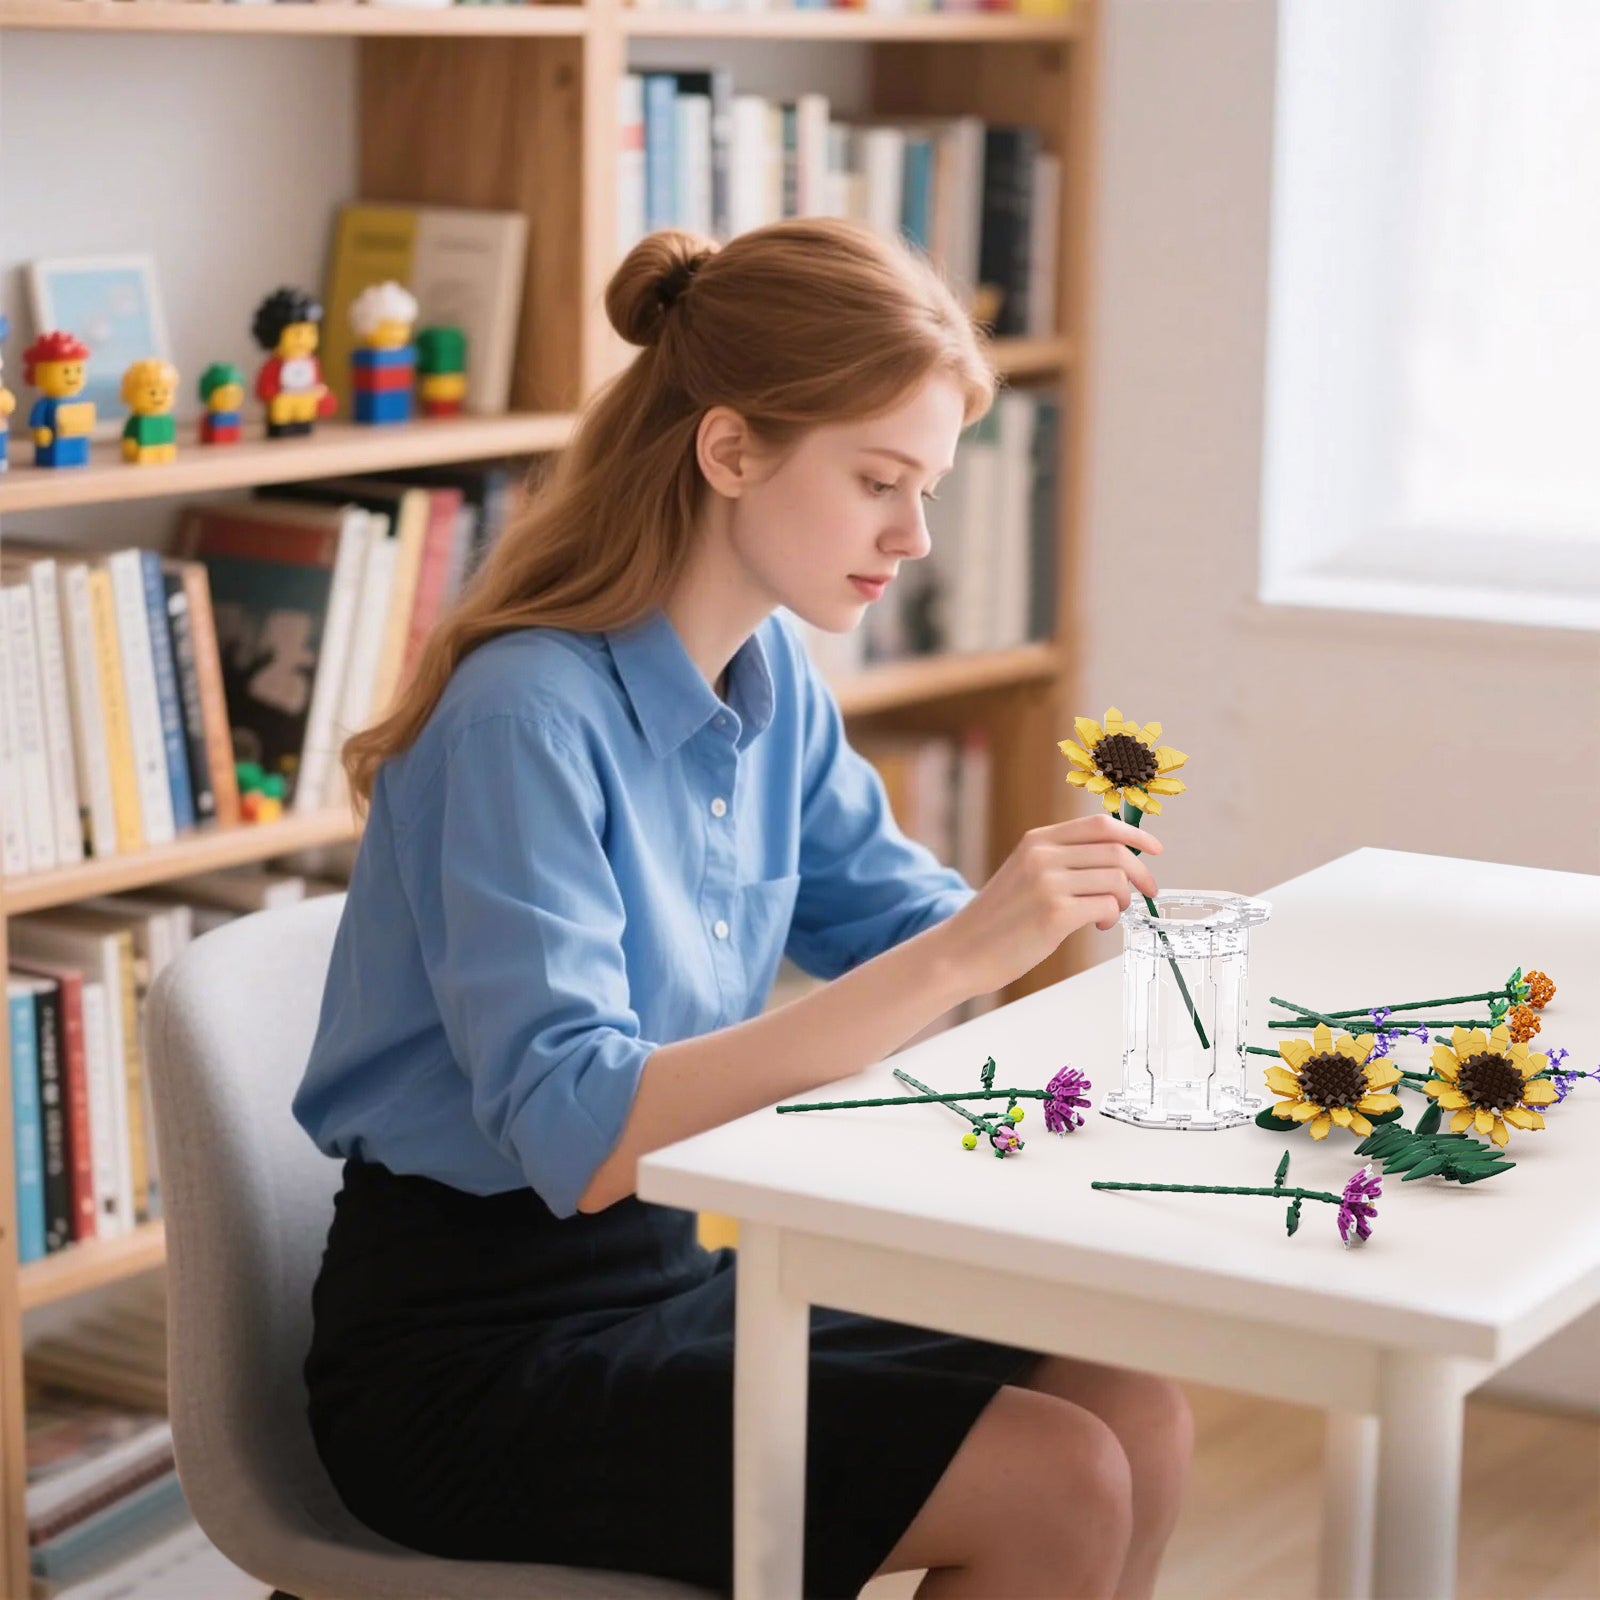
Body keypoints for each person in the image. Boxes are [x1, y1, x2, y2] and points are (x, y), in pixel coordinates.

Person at [294, 218, 1193, 1600]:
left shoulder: (773, 688)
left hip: (675, 1278)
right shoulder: (522, 721)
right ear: (729, 451)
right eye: (880, 481)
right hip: (468, 1357)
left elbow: (915, 935)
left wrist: (1077, 961)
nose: (915, 536)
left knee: (1131, 1403)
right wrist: (965, 950)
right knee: (1056, 1475)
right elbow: (582, 1133)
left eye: (927, 487)